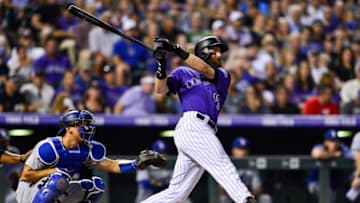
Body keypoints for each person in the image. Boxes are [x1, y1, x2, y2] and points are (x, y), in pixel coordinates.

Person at [141, 36, 255, 203]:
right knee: (222, 164)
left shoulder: (222, 75)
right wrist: (161, 62)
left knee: (177, 194)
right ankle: (245, 199)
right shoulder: (182, 72)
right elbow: (160, 88)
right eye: (215, 51)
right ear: (204, 52)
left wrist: (175, 49)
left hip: (203, 129)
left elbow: (206, 70)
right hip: (192, 125)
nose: (219, 55)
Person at [15, 109, 166, 203]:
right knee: (59, 180)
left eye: (88, 125)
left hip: (57, 188)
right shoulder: (49, 147)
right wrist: (54, 171)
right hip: (29, 193)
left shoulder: (86, 148)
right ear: (69, 129)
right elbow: (26, 176)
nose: (87, 128)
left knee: (95, 186)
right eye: (81, 125)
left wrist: (135, 162)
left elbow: (112, 165)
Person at [219, 137, 272, 203]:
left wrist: (246, 198)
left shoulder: (251, 167)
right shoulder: (226, 164)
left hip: (248, 198)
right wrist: (237, 195)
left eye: (244, 149)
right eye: (239, 149)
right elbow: (221, 190)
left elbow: (258, 189)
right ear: (233, 150)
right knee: (223, 198)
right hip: (231, 197)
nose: (242, 152)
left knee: (265, 198)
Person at [307, 129, 353, 203]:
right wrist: (334, 155)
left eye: (335, 141)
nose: (334, 144)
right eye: (331, 141)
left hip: (333, 185)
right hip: (315, 183)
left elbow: (353, 156)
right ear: (325, 142)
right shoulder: (319, 147)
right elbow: (317, 154)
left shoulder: (342, 149)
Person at [0, 129, 32, 203]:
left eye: (5, 141)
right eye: (1, 142)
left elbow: (21, 171)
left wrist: (18, 173)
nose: (4, 144)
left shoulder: (13, 151)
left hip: (9, 190)